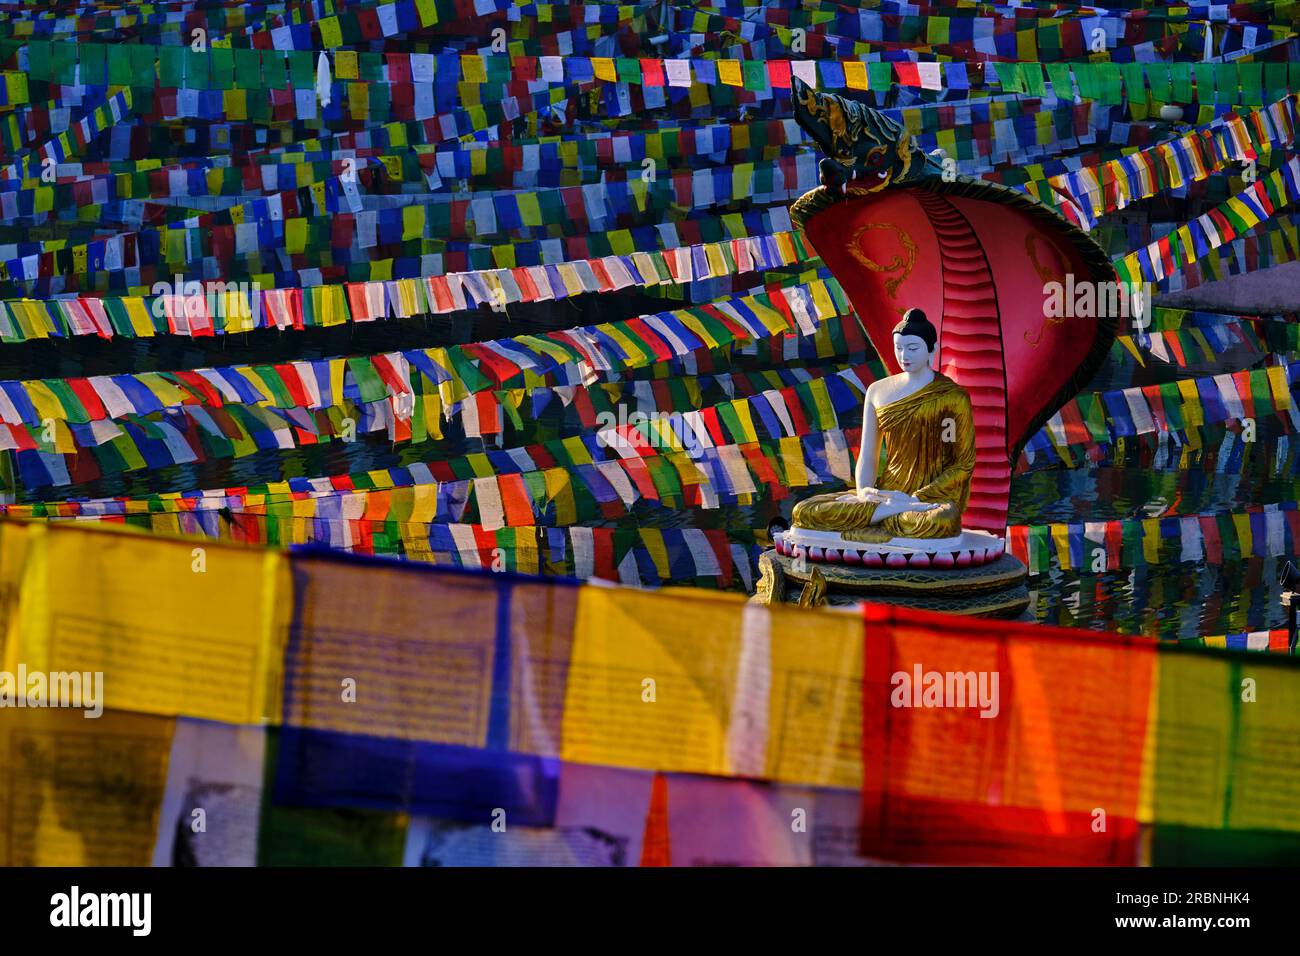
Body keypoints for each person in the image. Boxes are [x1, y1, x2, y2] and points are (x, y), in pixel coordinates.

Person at [790, 308, 976, 542]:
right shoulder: (877, 391)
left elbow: (962, 464)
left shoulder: (952, 396)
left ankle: (885, 514)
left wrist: (916, 499)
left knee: (940, 521)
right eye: (898, 347)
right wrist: (864, 491)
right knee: (805, 511)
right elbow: (868, 456)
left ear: (932, 349)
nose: (903, 355)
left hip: (927, 500)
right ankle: (886, 512)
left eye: (912, 348)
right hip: (885, 494)